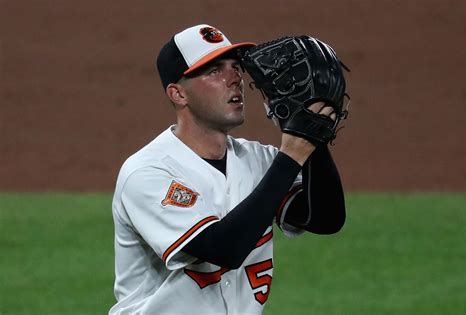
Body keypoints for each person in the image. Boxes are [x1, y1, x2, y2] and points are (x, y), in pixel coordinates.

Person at [109, 24, 345, 315]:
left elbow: (324, 218)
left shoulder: (259, 160)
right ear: (178, 94)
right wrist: (293, 153)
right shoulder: (148, 172)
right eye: (215, 71)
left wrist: (313, 134)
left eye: (236, 67)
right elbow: (222, 249)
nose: (234, 78)